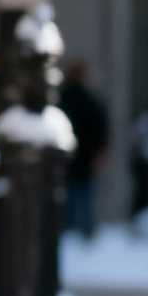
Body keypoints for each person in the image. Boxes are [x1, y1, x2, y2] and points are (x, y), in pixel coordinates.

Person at [58, 58, 110, 238]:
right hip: (84, 159)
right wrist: (99, 153)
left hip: (68, 159)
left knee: (68, 201)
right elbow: (101, 130)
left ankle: (69, 232)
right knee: (83, 199)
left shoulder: (63, 99)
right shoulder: (90, 101)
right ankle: (84, 234)